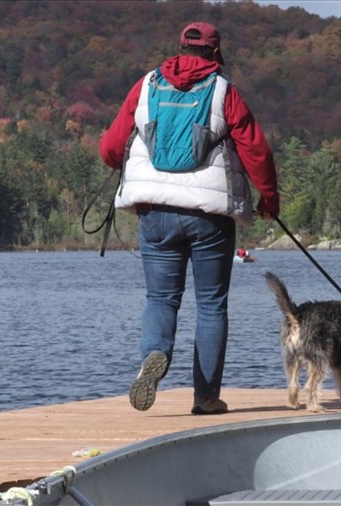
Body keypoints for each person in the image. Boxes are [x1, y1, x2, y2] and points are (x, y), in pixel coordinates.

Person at [99, 22, 279, 415]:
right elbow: (256, 151)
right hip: (209, 217)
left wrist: (122, 161)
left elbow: (111, 147)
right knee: (212, 305)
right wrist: (269, 199)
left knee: (161, 298)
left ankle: (154, 354)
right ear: (215, 53)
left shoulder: (145, 85)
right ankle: (206, 398)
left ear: (179, 49)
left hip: (155, 213)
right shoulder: (223, 91)